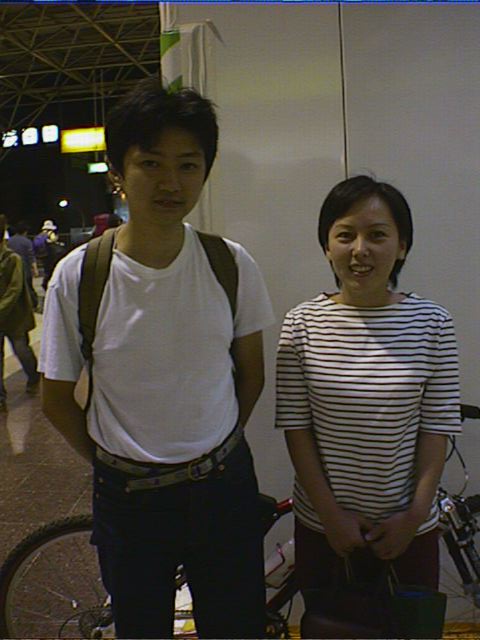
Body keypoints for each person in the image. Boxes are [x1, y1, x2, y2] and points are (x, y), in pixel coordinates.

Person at [39, 76, 274, 639]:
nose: (171, 182)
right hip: (128, 502)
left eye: (188, 165)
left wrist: (210, 445)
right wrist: (113, 461)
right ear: (118, 172)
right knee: (140, 629)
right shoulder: (79, 275)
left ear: (205, 171)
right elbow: (54, 399)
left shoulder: (230, 264)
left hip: (222, 489)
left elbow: (252, 374)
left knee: (237, 627)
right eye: (151, 164)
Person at [276, 175, 461, 632]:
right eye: (346, 235)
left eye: (378, 235)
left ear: (402, 246)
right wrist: (331, 517)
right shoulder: (301, 324)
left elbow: (435, 430)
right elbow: (297, 431)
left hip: (409, 531)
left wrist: (412, 517)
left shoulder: (433, 323)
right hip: (324, 529)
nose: (361, 250)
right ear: (327, 246)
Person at [0, 215, 40, 411]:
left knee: (21, 350)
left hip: (14, 316)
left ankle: (34, 378)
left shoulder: (12, 259)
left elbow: (15, 289)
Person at [8, 220, 39, 310]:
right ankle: (34, 304)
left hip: (12, 268)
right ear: (25, 231)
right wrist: (35, 269)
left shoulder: (10, 241)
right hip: (25, 268)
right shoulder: (27, 241)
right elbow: (31, 256)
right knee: (28, 287)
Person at [33, 220, 65, 290]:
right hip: (50, 256)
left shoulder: (39, 236)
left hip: (42, 256)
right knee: (51, 271)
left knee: (46, 271)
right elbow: (54, 241)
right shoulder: (50, 234)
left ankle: (45, 284)